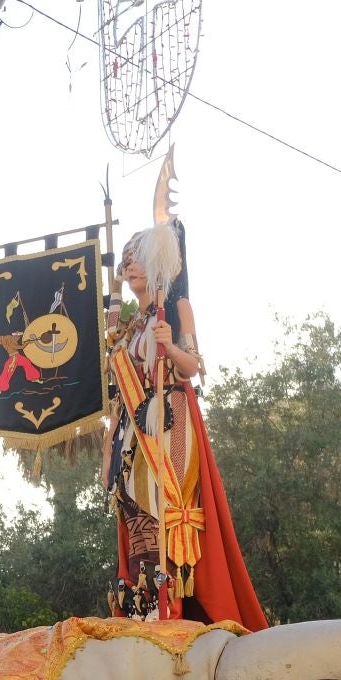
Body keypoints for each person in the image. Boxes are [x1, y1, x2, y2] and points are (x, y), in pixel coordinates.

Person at [102, 222, 267, 631]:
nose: (129, 267)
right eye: (124, 261)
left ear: (158, 263)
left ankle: (171, 607)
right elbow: (119, 394)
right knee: (134, 508)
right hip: (131, 428)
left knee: (164, 510)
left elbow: (192, 366)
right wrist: (108, 445)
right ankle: (141, 606)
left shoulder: (175, 310)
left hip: (170, 420)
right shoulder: (126, 324)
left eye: (136, 258)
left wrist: (169, 343)